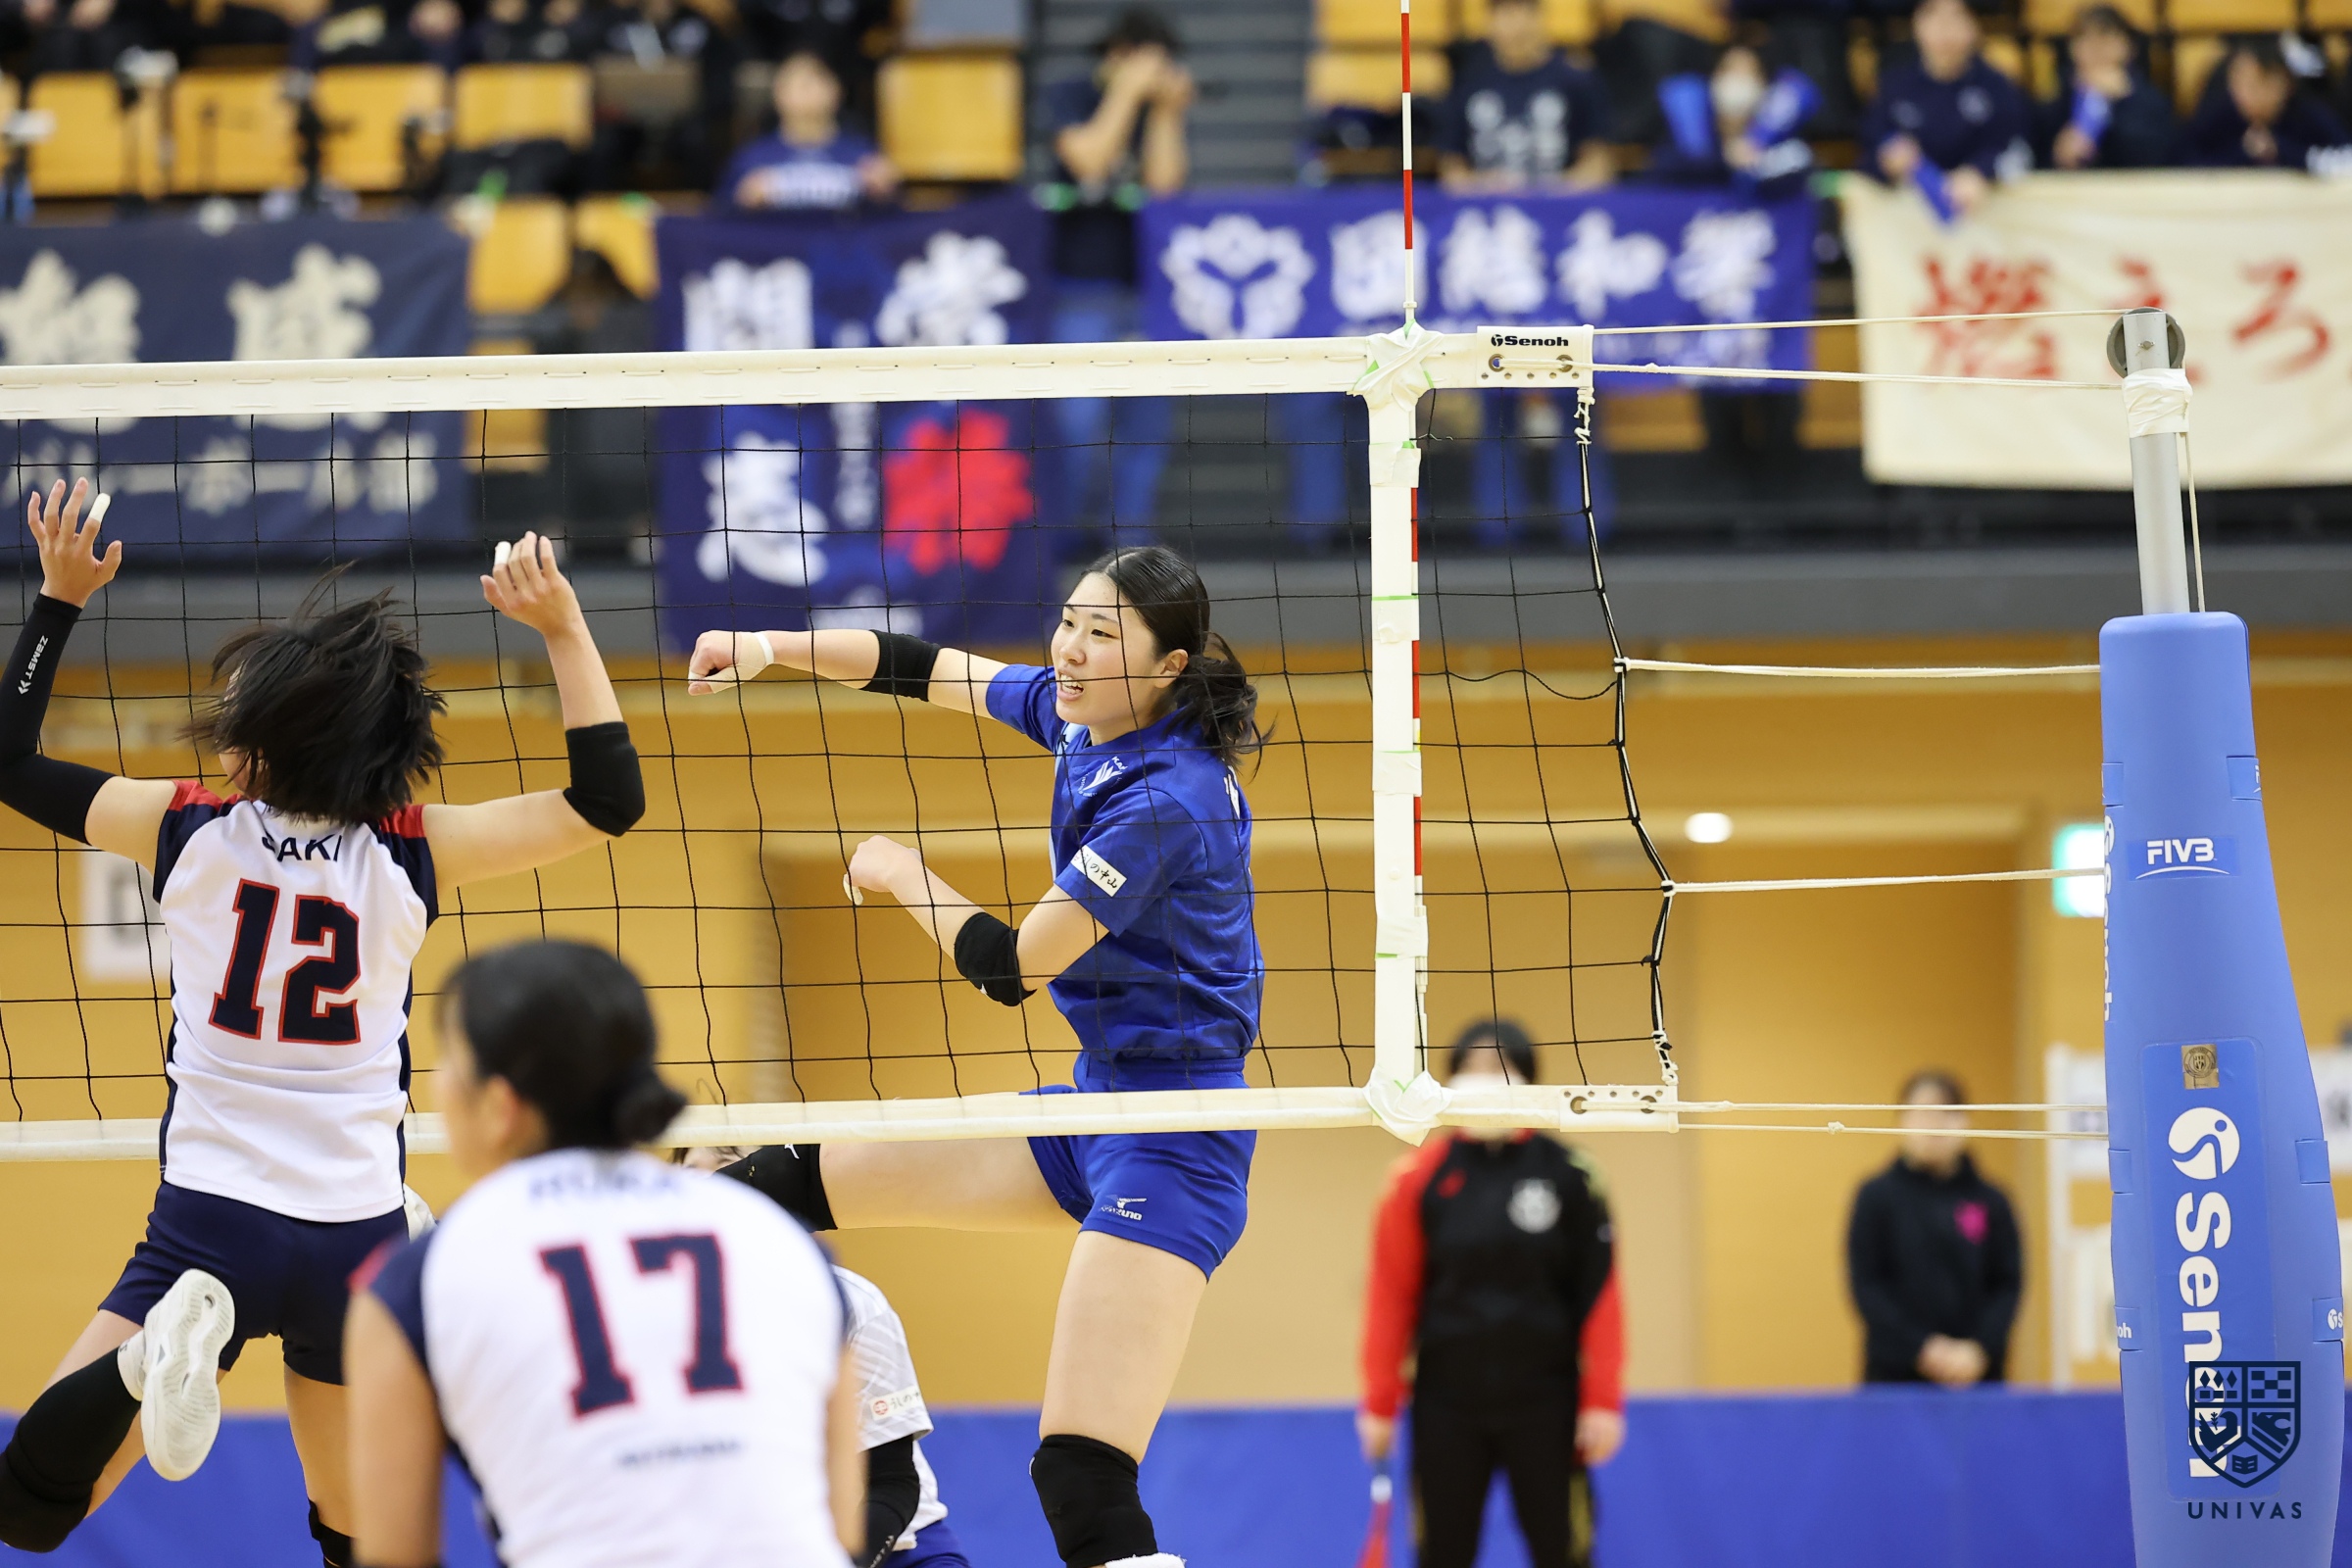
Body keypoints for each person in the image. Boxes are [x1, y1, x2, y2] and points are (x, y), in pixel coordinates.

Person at [0, 483, 644, 1565]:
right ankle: (178, 1353)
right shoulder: (411, 848)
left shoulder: (186, 829)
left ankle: (144, 1362)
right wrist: (564, 626)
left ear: (264, 740)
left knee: (29, 1511)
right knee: (360, 1543)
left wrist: (59, 600)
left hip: (210, 1228)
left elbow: (9, 761)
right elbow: (606, 800)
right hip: (356, 1237)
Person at [686, 543, 1264, 1568]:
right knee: (760, 1189)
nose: (1070, 648)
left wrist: (898, 869)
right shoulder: (1084, 717)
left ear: (1169, 666)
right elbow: (915, 665)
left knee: (1081, 1480)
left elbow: (1010, 967)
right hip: (1097, 1106)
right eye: (1069, 620)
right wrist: (766, 645)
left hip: (1176, 1139)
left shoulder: (1165, 801)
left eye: (1101, 634)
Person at [345, 941, 863, 1568]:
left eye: (450, 1059)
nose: (437, 1084)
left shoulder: (415, 1280)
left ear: (502, 1106)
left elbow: (395, 1556)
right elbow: (841, 1527)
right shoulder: (786, 1244)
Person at [1358, 1019, 1624, 1568]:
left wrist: (1602, 1398)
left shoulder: (1574, 1176)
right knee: (1443, 1554)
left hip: (1548, 1400)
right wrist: (1379, 1401)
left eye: (1499, 1068)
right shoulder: (1415, 1178)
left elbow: (1601, 1293)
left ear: (1527, 1079)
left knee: (1564, 1552)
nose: (1484, 1080)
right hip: (1446, 1402)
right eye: (1471, 1068)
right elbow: (1390, 1295)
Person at [678, 1148, 973, 1568]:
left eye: (732, 1163)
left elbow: (891, 1482)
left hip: (892, 1547)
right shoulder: (647, 1310)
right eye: (693, 1169)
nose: (714, 1183)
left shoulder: (848, 1300)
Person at [1437, 0, 1616, 548]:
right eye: (1502, 12)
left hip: (1559, 265)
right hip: (1495, 267)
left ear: (1540, 18)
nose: (1512, 24)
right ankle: (1499, 526)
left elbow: (1600, 164)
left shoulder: (1575, 80)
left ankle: (1585, 522)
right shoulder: (1470, 83)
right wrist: (1488, 190)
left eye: (1522, 11)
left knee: (1576, 393)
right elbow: (1451, 169)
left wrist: (1546, 198)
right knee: (1494, 392)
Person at [1043, 7, 1192, 552]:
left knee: (1145, 429)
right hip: (1079, 288)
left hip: (1147, 292)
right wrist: (1127, 92)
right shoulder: (1071, 94)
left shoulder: (1157, 109)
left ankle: (1130, 541)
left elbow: (1164, 185)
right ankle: (1062, 538)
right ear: (1118, 54)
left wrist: (1167, 112)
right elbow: (1089, 159)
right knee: (1076, 426)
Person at [1845, 1069, 2023, 1386]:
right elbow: (1868, 1287)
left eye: (1946, 1112)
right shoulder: (1875, 1197)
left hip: (1976, 1377)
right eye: (1922, 1111)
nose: (1934, 1124)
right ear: (1901, 1120)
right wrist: (1924, 1349)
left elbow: (2007, 1285)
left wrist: (1978, 1349)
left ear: (1965, 1121)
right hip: (1894, 1379)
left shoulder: (1993, 1201)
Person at [1860, 0, 2031, 219]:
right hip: (1909, 219)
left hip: (1985, 215)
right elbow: (1868, 151)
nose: (1945, 30)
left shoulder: (1997, 88)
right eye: (1934, 17)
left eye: (1956, 18)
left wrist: (1981, 171)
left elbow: (2018, 150)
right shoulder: (1894, 87)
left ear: (1974, 26)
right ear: (1917, 25)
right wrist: (1886, 162)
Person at [717, 48, 898, 212]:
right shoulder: (752, 158)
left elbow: (897, 216)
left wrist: (886, 192)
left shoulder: (863, 154)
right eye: (798, 84)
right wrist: (743, 198)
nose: (808, 90)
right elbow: (719, 215)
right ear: (778, 94)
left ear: (836, 91)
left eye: (817, 80)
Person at [2033, 5, 2175, 170]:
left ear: (2129, 47)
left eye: (2106, 38)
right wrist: (2058, 153)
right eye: (2085, 39)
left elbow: (2158, 158)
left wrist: (2123, 100)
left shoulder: (2151, 102)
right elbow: (2034, 158)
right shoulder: (2056, 103)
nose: (2096, 49)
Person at [2181, 35, 2351, 171]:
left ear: (2285, 83)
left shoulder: (2307, 116)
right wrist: (2243, 153)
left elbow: (2345, 156)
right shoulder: (2219, 115)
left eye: (2259, 84)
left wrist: (2282, 151)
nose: (2247, 93)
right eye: (2240, 82)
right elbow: (2182, 163)